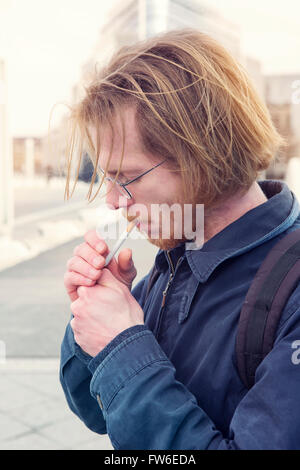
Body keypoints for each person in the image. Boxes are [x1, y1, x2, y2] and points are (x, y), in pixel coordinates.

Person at [59, 29, 300, 449]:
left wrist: (123, 345)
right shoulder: (176, 260)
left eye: (125, 178)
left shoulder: (291, 291)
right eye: (106, 179)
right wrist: (94, 318)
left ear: (201, 153)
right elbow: (99, 414)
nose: (114, 201)